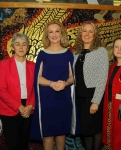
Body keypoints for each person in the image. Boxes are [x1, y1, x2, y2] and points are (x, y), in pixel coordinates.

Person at [30, 20, 76, 150]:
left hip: (63, 99)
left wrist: (65, 83)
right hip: (47, 100)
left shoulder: (68, 53)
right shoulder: (42, 54)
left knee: (61, 134)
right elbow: (37, 78)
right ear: (47, 35)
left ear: (61, 33)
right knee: (48, 134)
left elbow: (73, 77)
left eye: (57, 31)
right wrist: (51, 83)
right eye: (51, 32)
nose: (54, 34)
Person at [73, 21, 109, 150]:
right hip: (80, 98)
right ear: (80, 34)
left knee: (95, 130)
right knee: (85, 132)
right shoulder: (76, 53)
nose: (87, 34)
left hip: (93, 97)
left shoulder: (101, 51)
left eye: (90, 31)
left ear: (95, 35)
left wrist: (95, 101)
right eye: (84, 31)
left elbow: (102, 78)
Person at [0, 33, 35, 150]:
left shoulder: (34, 66)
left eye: (24, 44)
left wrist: (30, 105)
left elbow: (36, 89)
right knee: (12, 144)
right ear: (12, 47)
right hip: (9, 108)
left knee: (24, 143)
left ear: (28, 47)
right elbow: (1, 90)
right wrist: (19, 106)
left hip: (28, 107)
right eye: (17, 44)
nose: (21, 47)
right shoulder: (3, 65)